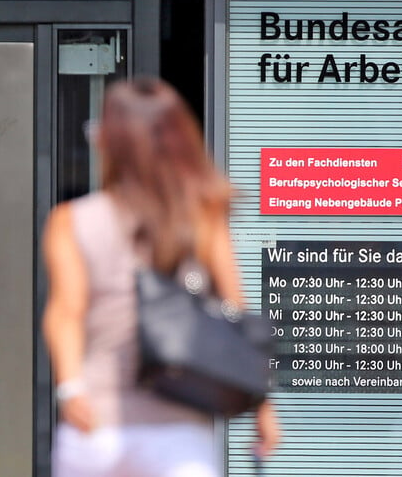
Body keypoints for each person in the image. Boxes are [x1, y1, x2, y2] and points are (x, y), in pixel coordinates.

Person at [42, 78, 280, 477]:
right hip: (179, 428)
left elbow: (66, 312)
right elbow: (237, 313)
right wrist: (262, 406)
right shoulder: (202, 215)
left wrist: (70, 388)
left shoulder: (70, 220)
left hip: (95, 422)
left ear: (110, 141)